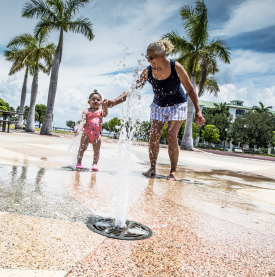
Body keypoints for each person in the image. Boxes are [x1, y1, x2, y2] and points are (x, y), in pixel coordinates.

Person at [108, 39, 205, 181]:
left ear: (161, 56)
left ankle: (173, 171)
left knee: (171, 135)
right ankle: (152, 168)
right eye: (147, 57)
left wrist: (198, 110)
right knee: (153, 136)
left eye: (151, 57)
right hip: (158, 106)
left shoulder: (175, 67)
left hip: (178, 105)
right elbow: (133, 90)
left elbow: (189, 89)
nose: (148, 60)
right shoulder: (147, 71)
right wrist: (114, 101)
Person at [73, 90, 108, 171]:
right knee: (82, 148)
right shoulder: (86, 111)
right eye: (93, 99)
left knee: (96, 150)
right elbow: (83, 121)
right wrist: (78, 130)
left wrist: (105, 106)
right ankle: (79, 162)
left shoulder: (101, 111)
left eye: (98, 100)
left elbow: (105, 115)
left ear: (101, 102)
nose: (95, 101)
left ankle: (94, 164)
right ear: (89, 102)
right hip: (86, 134)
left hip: (97, 135)